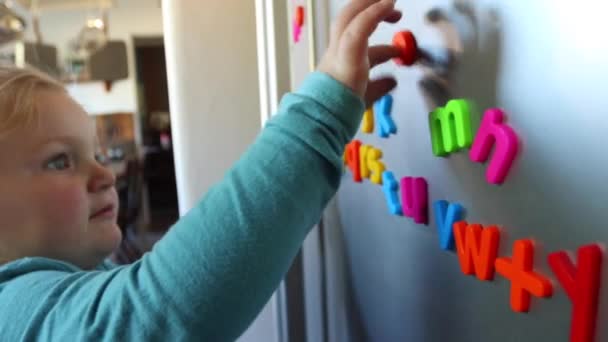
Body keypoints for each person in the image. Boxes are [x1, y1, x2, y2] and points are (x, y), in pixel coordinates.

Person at [0, 0, 401, 340]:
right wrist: (319, 119)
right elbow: (153, 315)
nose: (106, 176)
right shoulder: (11, 308)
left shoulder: (75, 276)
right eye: (60, 161)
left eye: (97, 155)